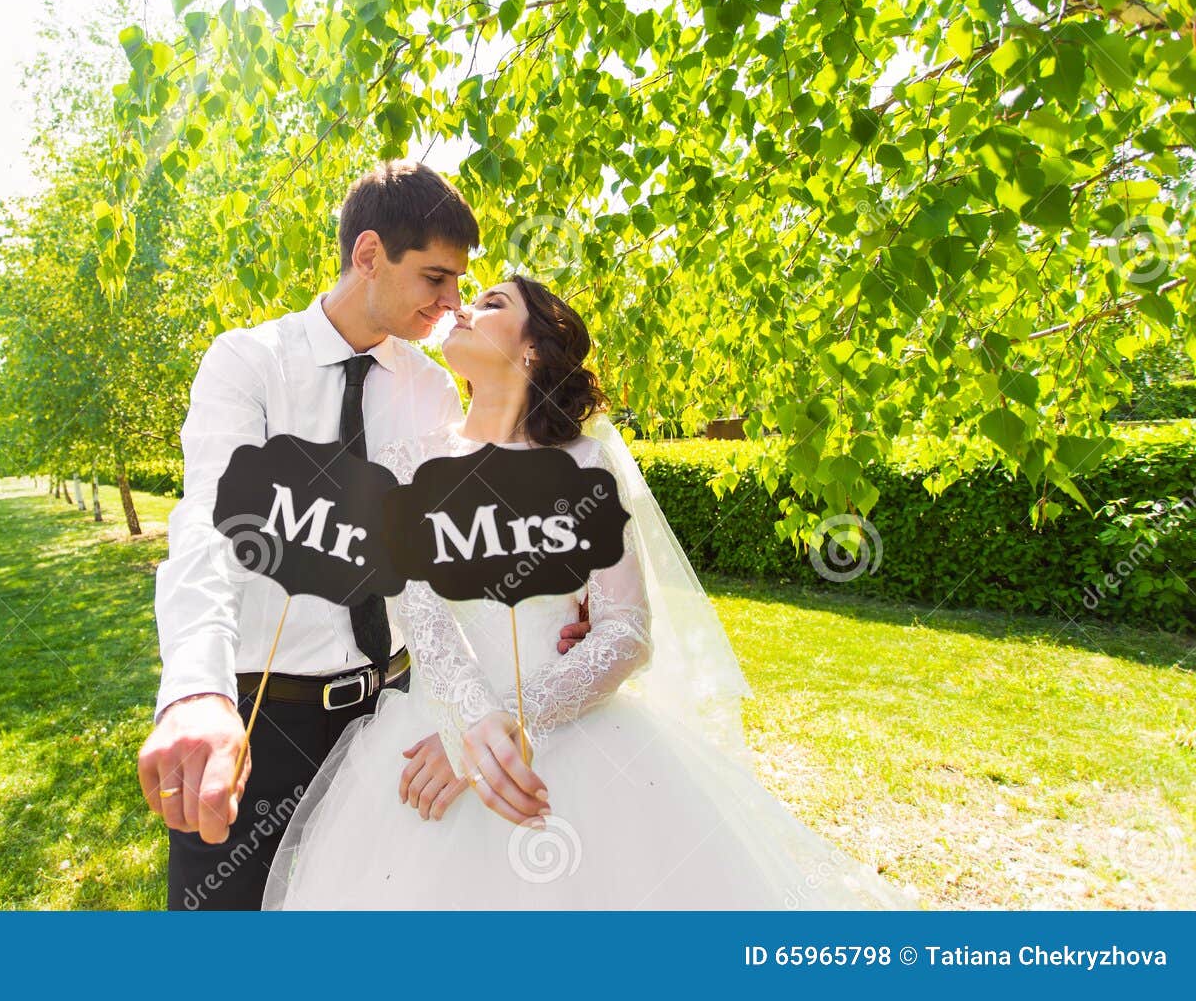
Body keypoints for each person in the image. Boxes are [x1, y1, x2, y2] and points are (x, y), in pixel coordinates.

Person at [261, 275, 922, 909]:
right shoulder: (408, 464)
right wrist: (470, 733)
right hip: (430, 731)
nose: (460, 307)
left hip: (574, 738)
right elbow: (424, 621)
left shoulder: (583, 464)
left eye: (489, 302)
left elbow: (626, 630)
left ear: (531, 347)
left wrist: (511, 727)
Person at [138, 163, 594, 910]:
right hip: (260, 721)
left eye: (462, 287)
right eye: (437, 280)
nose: (452, 306)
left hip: (387, 720)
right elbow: (208, 528)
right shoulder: (249, 362)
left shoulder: (428, 386)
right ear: (370, 254)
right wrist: (195, 688)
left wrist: (557, 596)